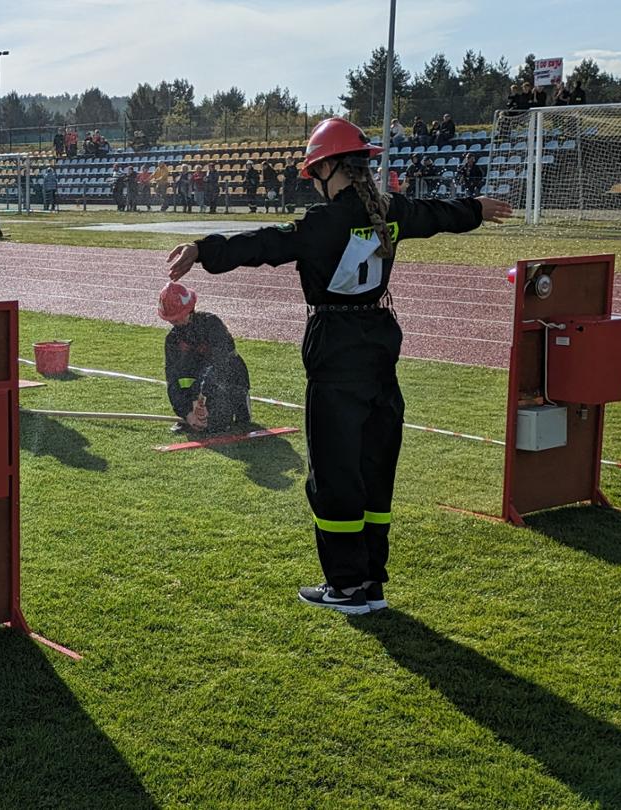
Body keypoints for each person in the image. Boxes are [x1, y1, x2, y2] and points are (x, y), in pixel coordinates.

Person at [163, 116, 512, 615]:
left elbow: (264, 244)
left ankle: (344, 587)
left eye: (313, 172)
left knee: (332, 473)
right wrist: (475, 208)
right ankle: (371, 582)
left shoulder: (321, 224)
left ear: (327, 168)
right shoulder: (391, 210)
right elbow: (437, 214)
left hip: (335, 353)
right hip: (379, 349)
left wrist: (203, 249)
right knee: (375, 467)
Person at [159, 281, 250, 434]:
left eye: (177, 317)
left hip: (227, 379)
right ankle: (197, 416)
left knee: (216, 426)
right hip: (200, 390)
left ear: (190, 309)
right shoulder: (172, 340)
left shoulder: (212, 325)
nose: (174, 322)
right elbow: (173, 381)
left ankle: (238, 407)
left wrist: (198, 400)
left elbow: (220, 364)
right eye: (171, 319)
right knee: (203, 424)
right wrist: (187, 414)